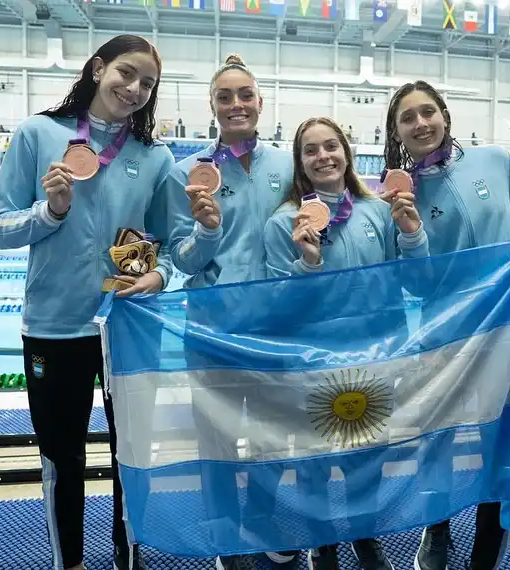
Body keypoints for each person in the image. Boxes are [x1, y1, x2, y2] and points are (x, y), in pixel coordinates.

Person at [0, 34, 174, 570]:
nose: (135, 88)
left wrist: (159, 275)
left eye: (148, 84)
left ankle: (128, 561)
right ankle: (68, 563)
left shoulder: (153, 156)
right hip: (54, 327)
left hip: (128, 327)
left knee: (131, 458)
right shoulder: (37, 134)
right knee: (62, 459)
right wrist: (50, 213)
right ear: (97, 68)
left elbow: (168, 240)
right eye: (126, 73)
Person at [380, 80, 510, 570]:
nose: (420, 123)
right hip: (448, 333)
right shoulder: (399, 194)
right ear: (397, 131)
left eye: (428, 112)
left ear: (444, 115)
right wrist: (408, 229)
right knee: (440, 435)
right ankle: (437, 527)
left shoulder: (494, 158)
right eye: (408, 118)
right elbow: (415, 283)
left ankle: (486, 552)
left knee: (505, 435)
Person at [263, 116, 429, 570]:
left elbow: (415, 277)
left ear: (347, 152)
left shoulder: (377, 211)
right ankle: (322, 542)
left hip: (375, 358)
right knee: (315, 461)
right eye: (311, 150)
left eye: (331, 146)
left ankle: (365, 535)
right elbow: (276, 304)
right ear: (300, 163)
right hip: (315, 361)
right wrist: (308, 264)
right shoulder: (284, 223)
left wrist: (413, 233)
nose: (323, 157)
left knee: (369, 459)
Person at [164, 53, 294, 570]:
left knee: (272, 435)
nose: (236, 104)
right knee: (216, 435)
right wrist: (206, 230)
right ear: (213, 107)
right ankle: (224, 532)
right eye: (225, 96)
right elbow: (180, 257)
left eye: (245, 95)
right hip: (213, 326)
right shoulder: (188, 174)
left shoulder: (287, 166)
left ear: (260, 104)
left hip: (278, 325)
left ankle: (261, 519)